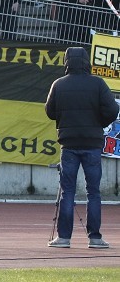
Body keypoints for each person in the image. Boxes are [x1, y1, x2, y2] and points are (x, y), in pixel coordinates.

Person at [45, 47, 119, 249]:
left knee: (67, 191)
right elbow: (113, 109)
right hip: (92, 143)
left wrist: (65, 119)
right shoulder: (97, 83)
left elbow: (49, 112)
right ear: (87, 62)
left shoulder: (58, 84)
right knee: (93, 192)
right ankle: (95, 237)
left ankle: (63, 238)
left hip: (68, 144)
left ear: (67, 62)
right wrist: (99, 122)